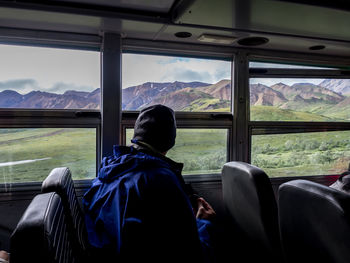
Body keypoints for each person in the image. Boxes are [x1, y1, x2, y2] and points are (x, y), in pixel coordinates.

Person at [83, 104, 216, 263]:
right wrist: (205, 223)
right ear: (170, 139)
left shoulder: (110, 168)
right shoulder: (161, 180)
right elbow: (194, 257)